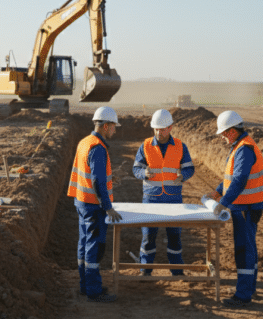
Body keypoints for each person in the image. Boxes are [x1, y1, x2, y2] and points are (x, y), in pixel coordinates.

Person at [206, 110, 263, 308]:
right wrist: (218, 192)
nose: (222, 137)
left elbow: (240, 180)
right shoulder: (240, 146)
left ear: (233, 131)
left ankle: (243, 295)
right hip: (247, 206)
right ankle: (249, 288)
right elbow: (231, 178)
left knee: (244, 249)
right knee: (249, 247)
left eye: (224, 133)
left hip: (246, 207)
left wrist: (223, 203)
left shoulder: (244, 149)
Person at [67, 106, 123, 302]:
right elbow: (98, 182)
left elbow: (91, 174)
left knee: (84, 244)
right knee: (94, 246)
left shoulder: (85, 142)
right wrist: (108, 207)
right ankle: (93, 291)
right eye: (114, 126)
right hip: (93, 206)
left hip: (81, 202)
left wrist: (109, 179)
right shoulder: (98, 148)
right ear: (106, 126)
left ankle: (85, 286)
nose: (115, 130)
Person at [132, 109, 194, 276]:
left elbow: (189, 168)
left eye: (163, 129)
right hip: (151, 199)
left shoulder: (180, 146)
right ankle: (145, 271)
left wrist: (183, 175)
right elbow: (136, 168)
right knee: (148, 237)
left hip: (173, 199)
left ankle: (177, 271)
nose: (159, 132)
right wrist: (143, 173)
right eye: (156, 129)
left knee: (174, 237)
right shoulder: (145, 145)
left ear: (170, 127)